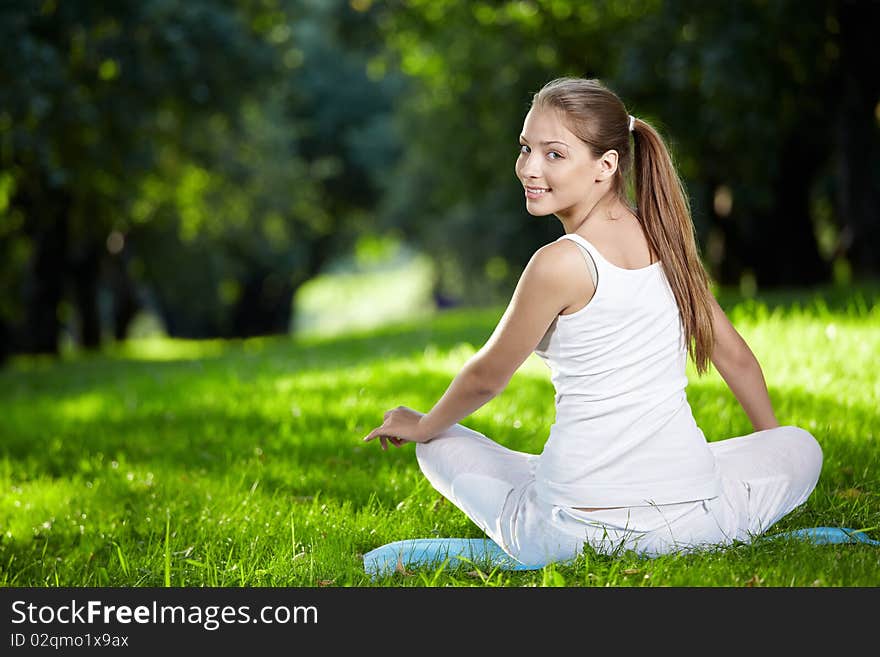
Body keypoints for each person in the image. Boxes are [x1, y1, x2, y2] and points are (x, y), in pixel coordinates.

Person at [362, 77, 823, 566]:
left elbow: (486, 378)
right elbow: (737, 358)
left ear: (606, 166)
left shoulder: (558, 263)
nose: (529, 168)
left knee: (438, 444)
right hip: (696, 521)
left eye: (554, 154)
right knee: (800, 446)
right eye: (526, 148)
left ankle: (534, 510)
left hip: (568, 533)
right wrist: (769, 440)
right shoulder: (666, 243)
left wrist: (425, 424)